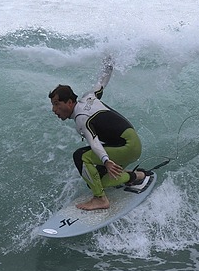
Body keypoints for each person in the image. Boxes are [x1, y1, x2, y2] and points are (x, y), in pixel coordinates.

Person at [49, 58, 149, 210]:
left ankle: (100, 199)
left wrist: (106, 161)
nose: (54, 109)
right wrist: (109, 64)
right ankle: (137, 176)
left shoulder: (81, 118)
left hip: (127, 146)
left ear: (69, 102)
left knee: (80, 156)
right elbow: (102, 81)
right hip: (132, 142)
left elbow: (93, 142)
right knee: (97, 180)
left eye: (57, 104)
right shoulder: (89, 97)